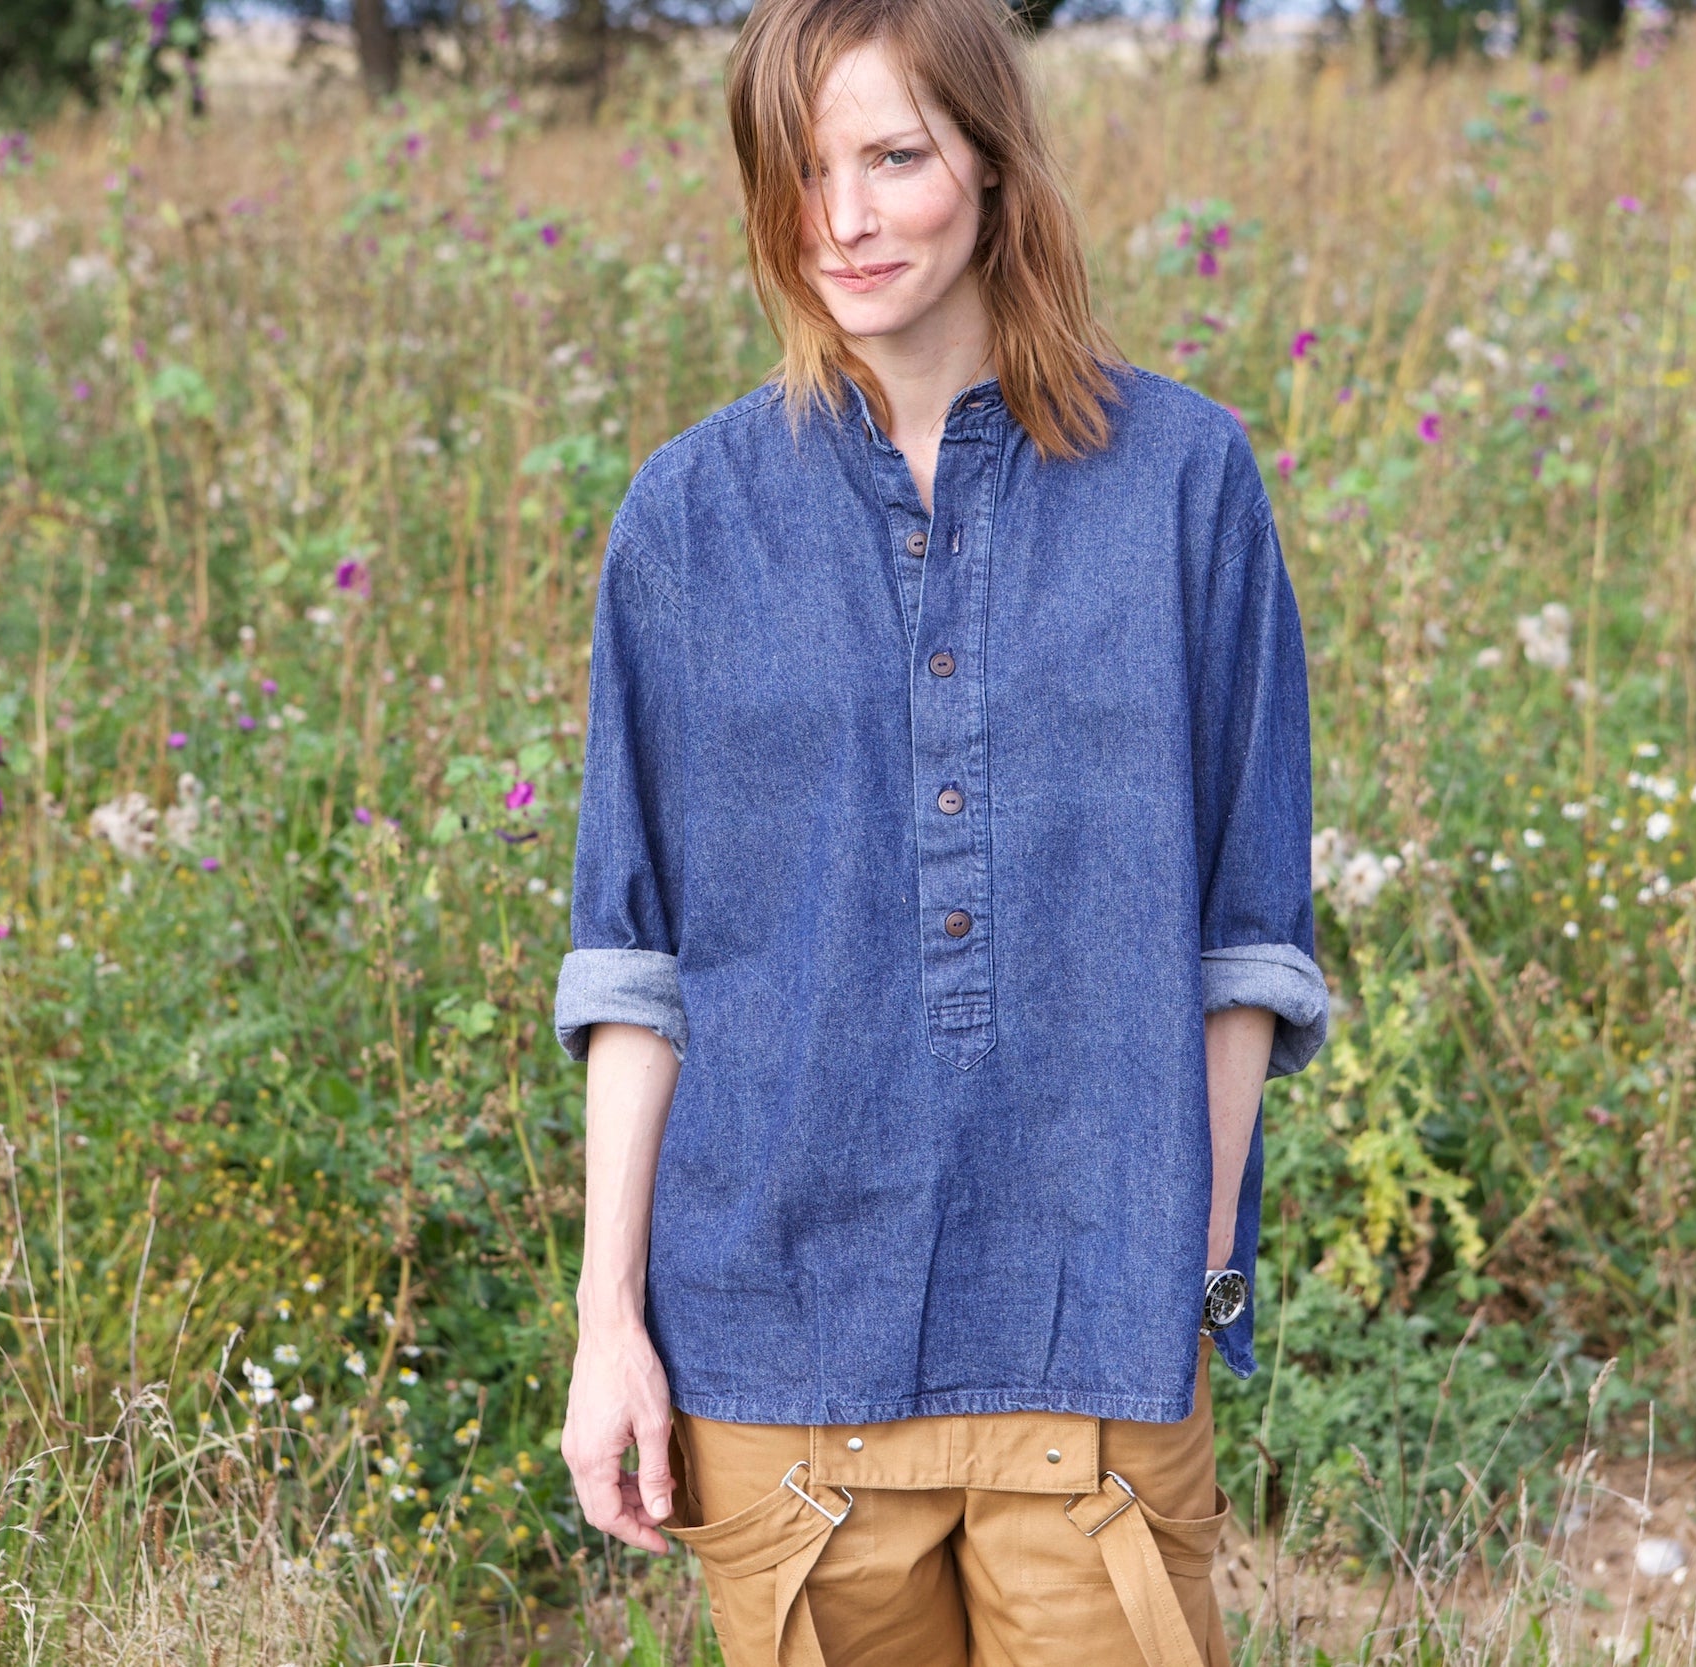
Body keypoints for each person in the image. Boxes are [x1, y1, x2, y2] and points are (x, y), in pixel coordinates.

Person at [552, 0, 1325, 1658]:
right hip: (775, 1367)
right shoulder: (689, 521)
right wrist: (608, 1318)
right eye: (798, 167)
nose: (839, 218)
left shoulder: (1186, 481)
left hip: (1095, 1365)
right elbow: (636, 964)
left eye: (892, 157)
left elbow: (1245, 936)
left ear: (990, 163)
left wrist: (1173, 1267)